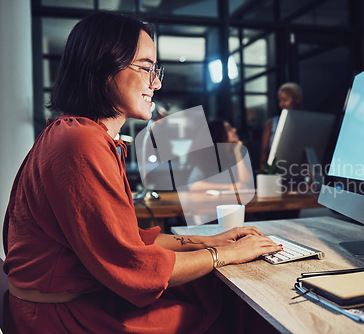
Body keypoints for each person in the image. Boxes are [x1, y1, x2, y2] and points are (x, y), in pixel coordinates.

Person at [2, 12, 281, 333]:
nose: (157, 82)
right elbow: (132, 265)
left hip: (66, 302)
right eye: (147, 68)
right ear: (103, 65)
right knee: (225, 306)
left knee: (209, 291)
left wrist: (215, 241)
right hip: (64, 318)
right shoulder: (81, 141)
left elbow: (129, 240)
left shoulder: (78, 133)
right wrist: (226, 253)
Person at [188, 119, 253, 192]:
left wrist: (238, 154)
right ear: (219, 134)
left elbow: (247, 182)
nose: (234, 130)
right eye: (228, 129)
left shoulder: (241, 151)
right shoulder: (209, 157)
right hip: (213, 200)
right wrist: (229, 187)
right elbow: (192, 185)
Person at [259, 82, 303, 169]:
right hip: (276, 169)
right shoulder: (271, 123)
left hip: (300, 169)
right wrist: (263, 175)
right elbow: (264, 153)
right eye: (280, 101)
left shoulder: (306, 122)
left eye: (285, 100)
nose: (281, 104)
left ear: (297, 99)